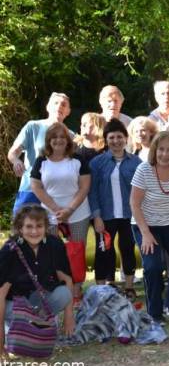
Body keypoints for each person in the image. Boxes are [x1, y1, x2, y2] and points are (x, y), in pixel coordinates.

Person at [130, 131, 169, 324]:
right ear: (155, 150)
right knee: (153, 267)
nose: (165, 154)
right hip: (146, 224)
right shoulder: (144, 170)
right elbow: (134, 203)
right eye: (161, 150)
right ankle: (154, 313)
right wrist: (146, 234)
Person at [0, 204, 75, 355]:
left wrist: (69, 316)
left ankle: (40, 325)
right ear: (20, 228)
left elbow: (67, 280)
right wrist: (0, 339)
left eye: (39, 226)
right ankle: (14, 329)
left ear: (46, 227)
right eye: (29, 226)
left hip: (40, 300)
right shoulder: (9, 251)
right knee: (14, 316)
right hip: (15, 304)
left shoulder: (55, 244)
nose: (34, 231)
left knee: (63, 293)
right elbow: (1, 295)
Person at [30, 122, 91, 300]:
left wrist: (70, 209)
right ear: (49, 141)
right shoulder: (41, 161)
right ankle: (57, 288)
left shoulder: (78, 160)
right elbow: (36, 187)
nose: (58, 140)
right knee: (52, 253)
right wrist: (57, 209)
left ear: (68, 140)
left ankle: (77, 288)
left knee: (77, 251)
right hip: (50, 215)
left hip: (78, 213)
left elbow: (84, 186)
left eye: (62, 137)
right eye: (54, 137)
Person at [89, 119, 142, 300]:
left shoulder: (136, 162)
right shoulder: (97, 163)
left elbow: (142, 190)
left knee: (127, 249)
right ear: (106, 139)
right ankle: (103, 287)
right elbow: (92, 191)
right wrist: (96, 216)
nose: (116, 140)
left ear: (126, 139)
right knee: (104, 250)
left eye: (120, 136)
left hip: (129, 216)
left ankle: (128, 286)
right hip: (105, 216)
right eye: (111, 137)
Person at [8, 92, 71, 214]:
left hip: (57, 193)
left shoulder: (71, 135)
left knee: (51, 233)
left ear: (68, 111)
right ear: (48, 107)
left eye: (64, 105)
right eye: (56, 103)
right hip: (30, 189)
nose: (59, 106)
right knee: (21, 229)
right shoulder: (33, 126)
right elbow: (13, 152)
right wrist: (16, 160)